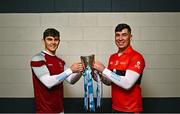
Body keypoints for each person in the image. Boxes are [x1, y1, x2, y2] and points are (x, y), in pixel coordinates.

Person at [93, 23, 145, 113]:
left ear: (130, 37)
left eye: (124, 35)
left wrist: (104, 70)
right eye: (117, 35)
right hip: (115, 107)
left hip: (131, 109)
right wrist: (99, 77)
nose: (120, 38)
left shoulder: (136, 57)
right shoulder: (113, 57)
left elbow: (127, 84)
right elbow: (110, 81)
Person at [30, 28, 84, 113]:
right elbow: (48, 83)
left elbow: (71, 80)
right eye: (49, 39)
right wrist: (70, 70)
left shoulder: (59, 61)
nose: (53, 42)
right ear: (43, 41)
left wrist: (82, 70)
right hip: (45, 111)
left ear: (59, 41)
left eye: (56, 39)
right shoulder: (38, 58)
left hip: (59, 110)